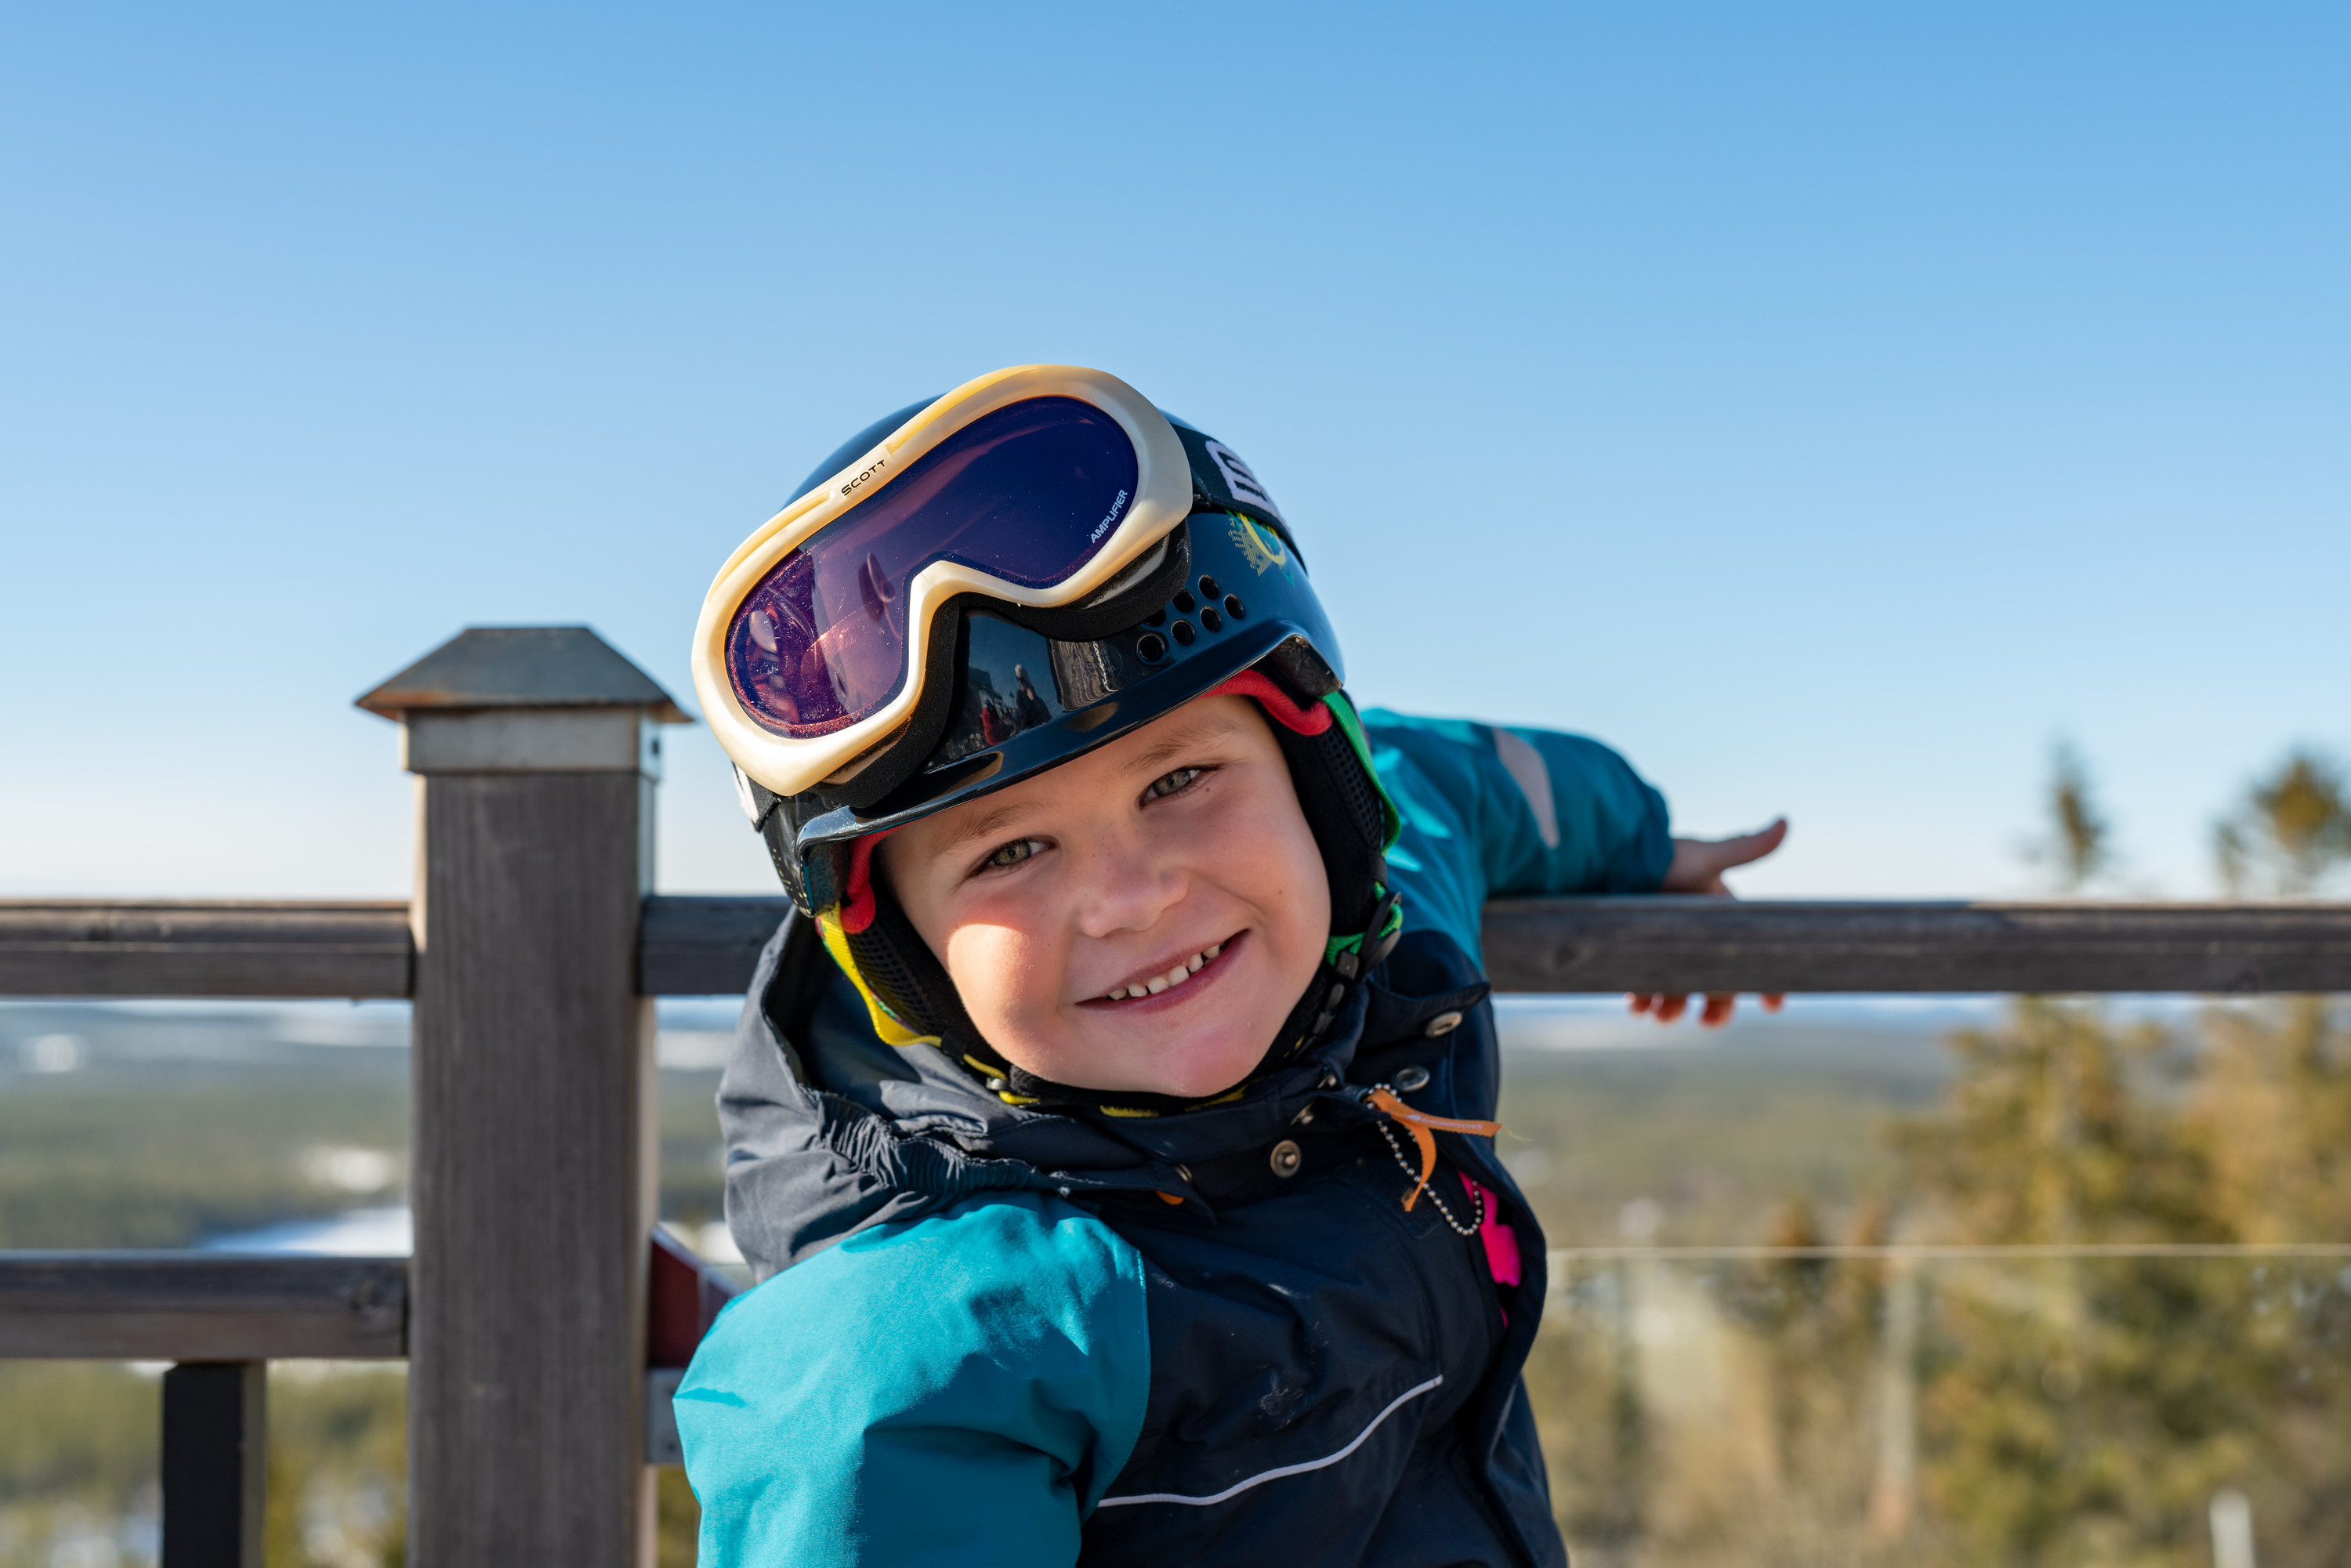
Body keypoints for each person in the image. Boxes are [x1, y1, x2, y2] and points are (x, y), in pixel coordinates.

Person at [673, 365, 1783, 1566]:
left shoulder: (1393, 919)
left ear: (1321, 781)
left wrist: (1646, 839)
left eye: (1178, 780)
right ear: (904, 952)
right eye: (1013, 849)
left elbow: (1475, 775)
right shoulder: (905, 1377)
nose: (1133, 896)